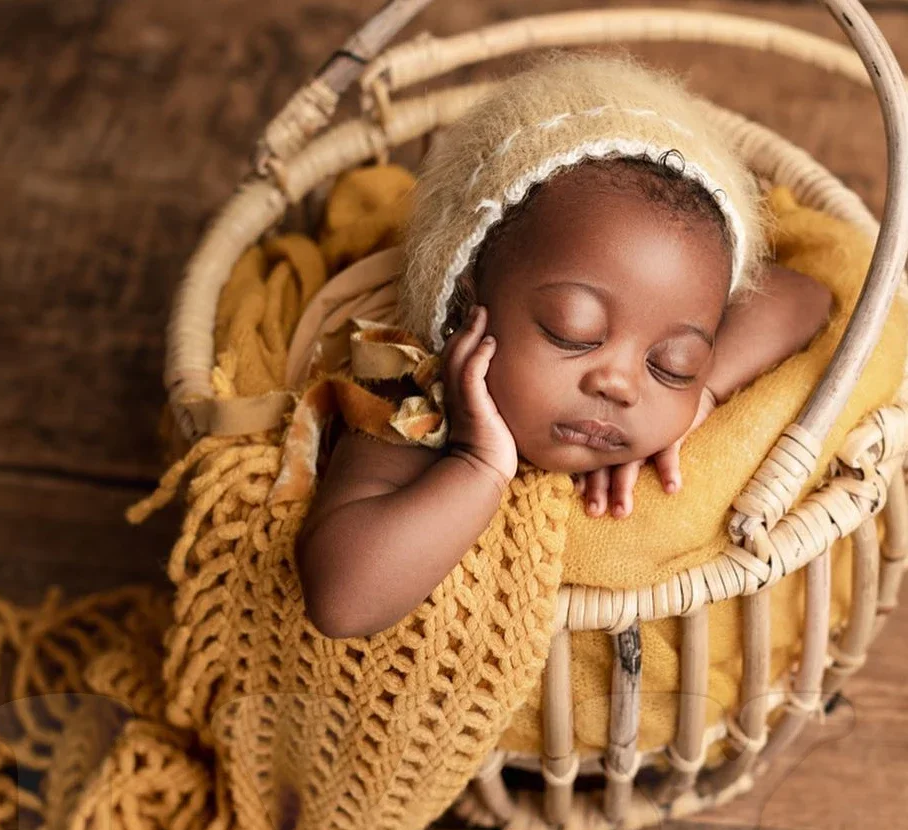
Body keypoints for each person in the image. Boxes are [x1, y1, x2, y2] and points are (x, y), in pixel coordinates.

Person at [295, 51, 833, 639]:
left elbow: (805, 297)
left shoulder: (677, 360)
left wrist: (702, 391)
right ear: (460, 307)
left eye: (670, 363)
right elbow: (341, 603)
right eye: (572, 332)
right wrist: (478, 465)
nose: (621, 384)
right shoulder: (414, 411)